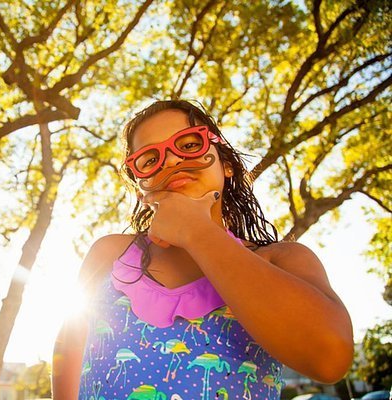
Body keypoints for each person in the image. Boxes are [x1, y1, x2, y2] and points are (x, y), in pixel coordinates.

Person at [52, 100, 354, 399]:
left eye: (188, 144)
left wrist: (197, 232)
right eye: (148, 159)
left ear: (226, 165)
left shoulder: (282, 260)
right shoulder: (110, 254)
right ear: (141, 186)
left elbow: (329, 360)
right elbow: (68, 355)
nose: (170, 160)